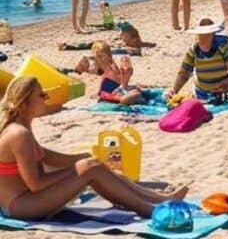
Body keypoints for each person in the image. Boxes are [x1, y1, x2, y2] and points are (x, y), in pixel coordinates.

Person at [0, 76, 187, 219]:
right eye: (41, 95)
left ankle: (158, 199)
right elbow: (36, 184)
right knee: (91, 169)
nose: (46, 98)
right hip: (21, 206)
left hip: (25, 201)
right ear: (25, 102)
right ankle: (151, 210)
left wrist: (81, 159)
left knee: (93, 165)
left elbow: (47, 157)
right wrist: (80, 168)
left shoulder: (21, 128)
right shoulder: (19, 134)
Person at [165, 18, 228, 102]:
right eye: (201, 34)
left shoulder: (224, 45)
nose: (203, 37)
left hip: (223, 93)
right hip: (200, 93)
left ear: (212, 33)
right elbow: (184, 72)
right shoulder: (194, 48)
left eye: (206, 34)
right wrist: (174, 90)